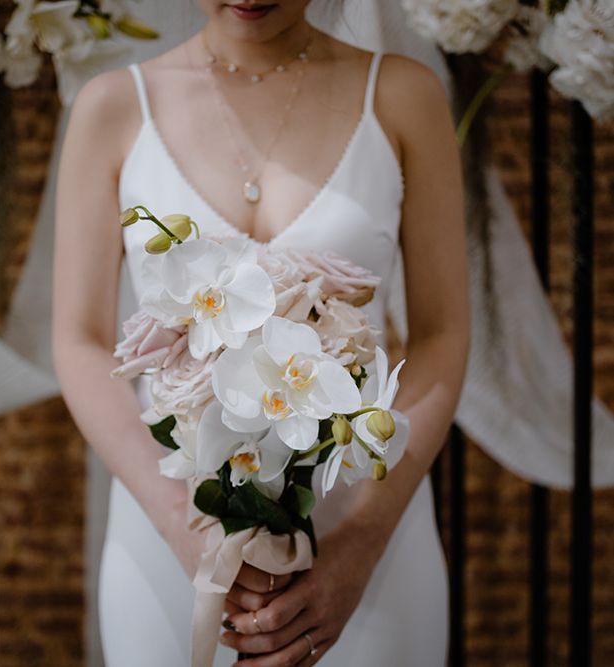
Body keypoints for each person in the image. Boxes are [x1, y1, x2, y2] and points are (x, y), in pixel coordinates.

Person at [52, 1, 468, 664]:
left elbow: (442, 334)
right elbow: (78, 339)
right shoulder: (113, 107)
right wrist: (188, 531)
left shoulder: (402, 95)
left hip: (366, 522)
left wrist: (360, 543)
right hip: (170, 530)